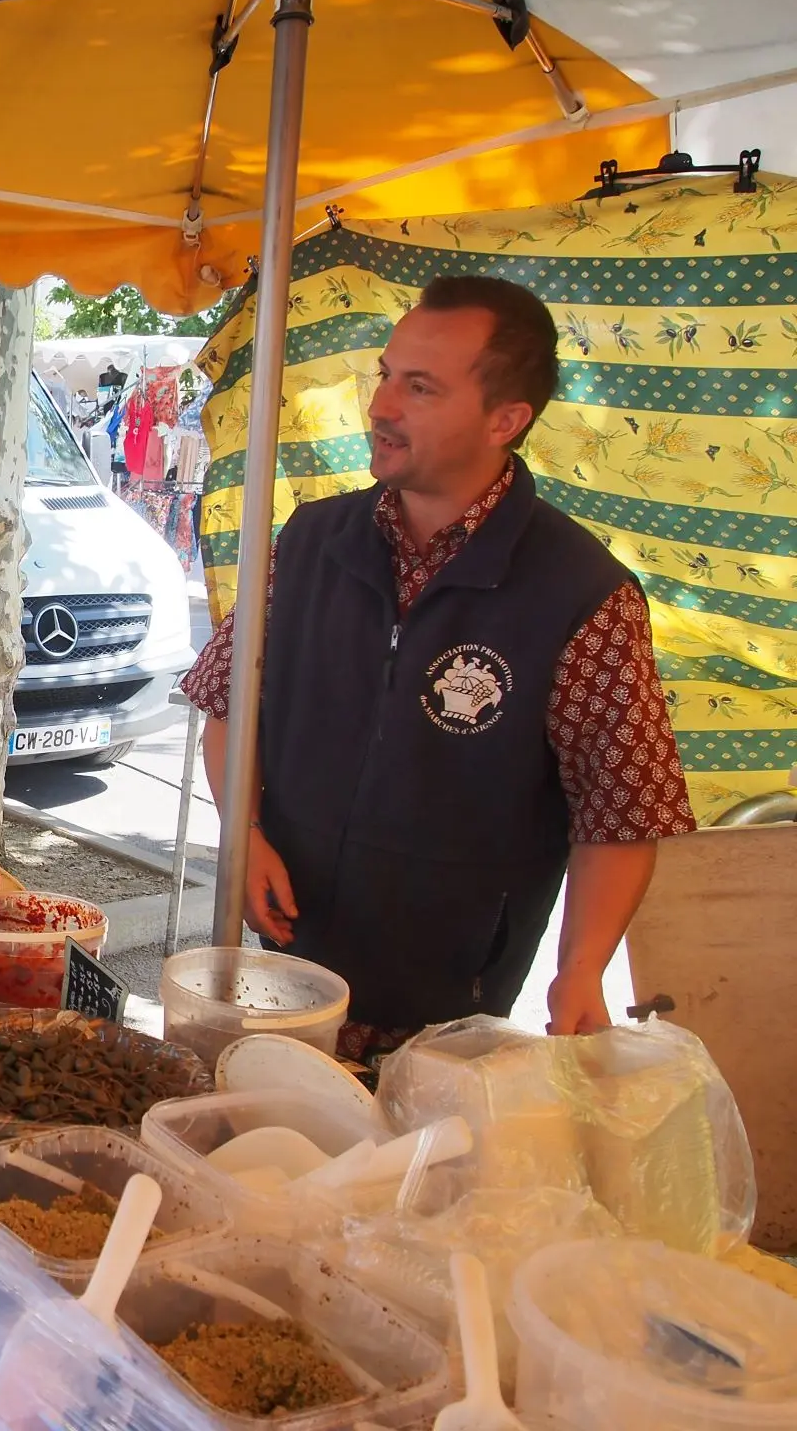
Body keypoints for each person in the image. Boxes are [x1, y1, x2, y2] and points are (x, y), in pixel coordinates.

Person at [183, 276, 695, 1061]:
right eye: (386, 374)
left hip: (449, 1016)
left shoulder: (582, 594)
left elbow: (621, 810)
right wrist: (243, 833)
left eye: (419, 388)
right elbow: (227, 704)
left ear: (505, 419)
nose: (381, 405)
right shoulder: (310, 543)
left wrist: (581, 969)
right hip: (279, 973)